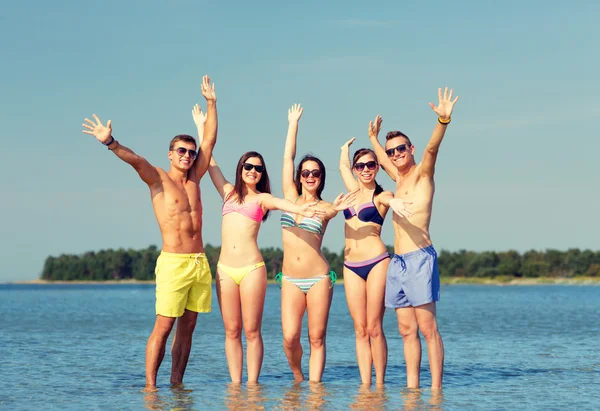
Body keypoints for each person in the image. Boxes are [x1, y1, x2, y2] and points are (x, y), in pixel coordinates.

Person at [81, 76, 218, 390]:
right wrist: (110, 142)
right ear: (170, 154)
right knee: (165, 325)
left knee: (189, 328)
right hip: (173, 264)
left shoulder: (196, 178)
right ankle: (151, 388)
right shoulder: (157, 178)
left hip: (199, 263)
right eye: (181, 151)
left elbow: (209, 141)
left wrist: (212, 103)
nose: (188, 155)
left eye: (190, 152)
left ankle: (177, 385)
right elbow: (135, 160)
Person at [191, 105, 325, 383]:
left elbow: (282, 202)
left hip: (252, 268)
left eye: (258, 168)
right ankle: (236, 386)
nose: (252, 171)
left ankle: (252, 385)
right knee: (231, 330)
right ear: (240, 169)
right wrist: (201, 127)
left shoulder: (263, 199)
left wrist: (302, 210)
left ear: (262, 174)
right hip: (225, 269)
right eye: (248, 166)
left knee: (251, 331)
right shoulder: (227, 192)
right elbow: (209, 162)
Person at [369, 87, 459, 389]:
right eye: (392, 150)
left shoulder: (422, 174)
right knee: (406, 331)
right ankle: (412, 390)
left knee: (427, 328)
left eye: (400, 149)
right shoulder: (398, 177)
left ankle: (435, 392)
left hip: (420, 257)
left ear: (411, 148)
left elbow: (432, 150)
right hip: (398, 263)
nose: (395, 154)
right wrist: (372, 139)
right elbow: (382, 160)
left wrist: (442, 122)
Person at [279, 104, 356, 382]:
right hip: (289, 279)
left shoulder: (326, 207)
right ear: (299, 176)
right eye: (306, 172)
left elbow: (336, 209)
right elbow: (288, 157)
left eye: (316, 173)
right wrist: (293, 124)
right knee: (289, 337)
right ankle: (298, 376)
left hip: (318, 278)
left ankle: (314, 390)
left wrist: (337, 205)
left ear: (321, 178)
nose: (310, 176)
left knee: (316, 337)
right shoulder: (288, 196)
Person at [339, 140, 395, 386]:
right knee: (360, 329)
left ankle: (380, 385)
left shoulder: (382, 196)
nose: (365, 169)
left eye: (371, 164)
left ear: (377, 168)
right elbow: (341, 166)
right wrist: (344, 150)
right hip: (350, 265)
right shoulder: (351, 191)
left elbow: (391, 200)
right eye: (360, 165)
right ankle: (365, 387)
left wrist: (397, 203)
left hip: (377, 262)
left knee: (374, 327)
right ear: (355, 169)